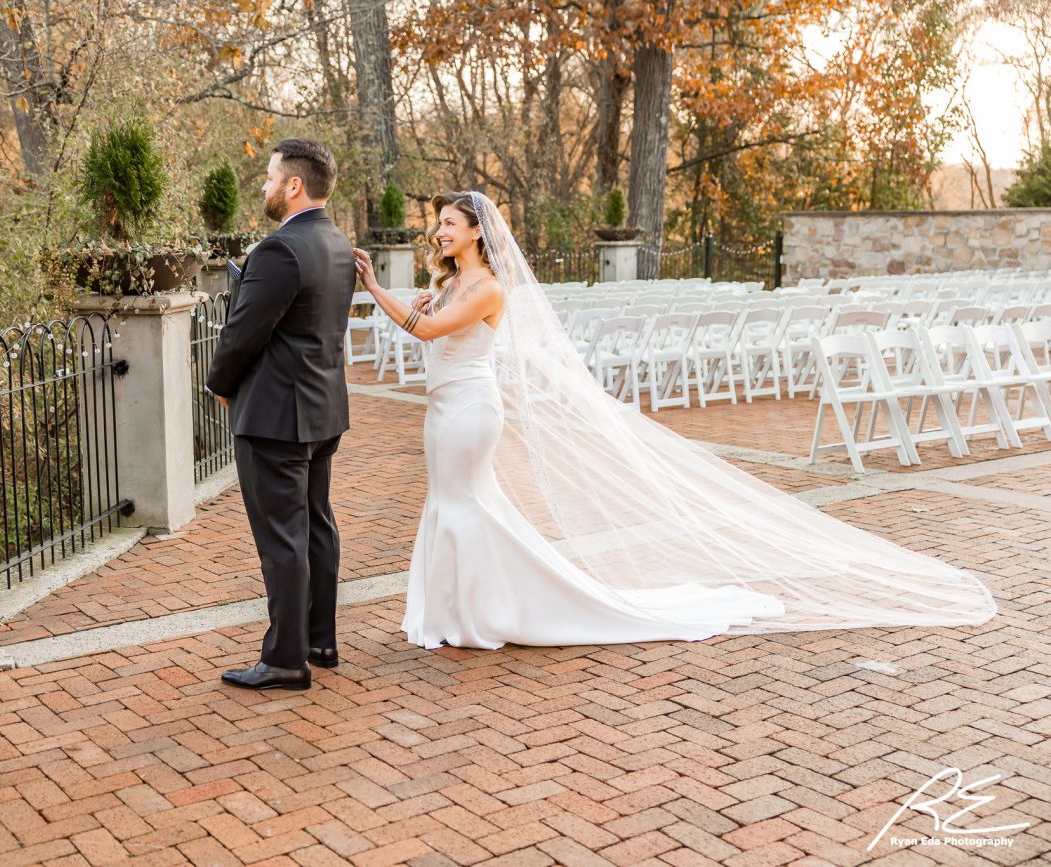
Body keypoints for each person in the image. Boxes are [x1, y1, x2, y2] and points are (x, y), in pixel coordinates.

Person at [353, 191, 996, 650]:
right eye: (437, 224)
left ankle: (479, 614)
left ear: (475, 231)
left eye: (448, 223)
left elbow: (428, 329)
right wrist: (412, 300)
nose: (438, 231)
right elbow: (431, 330)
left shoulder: (488, 286)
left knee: (466, 504)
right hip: (442, 409)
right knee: (451, 502)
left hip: (469, 410)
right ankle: (451, 612)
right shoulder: (451, 283)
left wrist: (376, 289)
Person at [206, 139, 356, 689]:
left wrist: (219, 384)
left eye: (270, 177)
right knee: (316, 526)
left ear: (294, 185)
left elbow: (244, 332)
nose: (265, 186)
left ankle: (286, 659)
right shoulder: (338, 242)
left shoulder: (279, 250)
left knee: (282, 539)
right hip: (322, 410)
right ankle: (319, 638)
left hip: (275, 416)